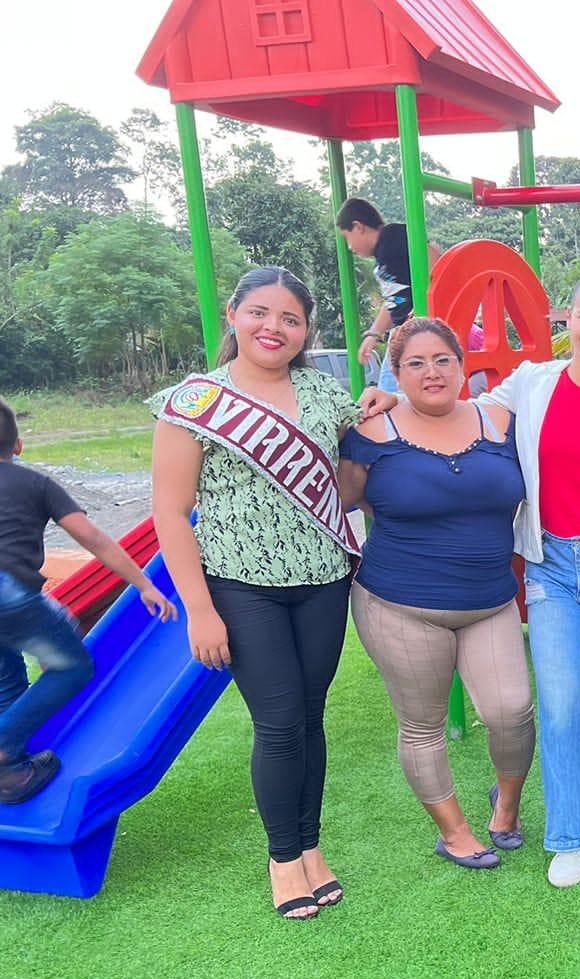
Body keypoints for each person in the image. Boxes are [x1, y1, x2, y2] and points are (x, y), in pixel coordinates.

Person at [150, 266, 361, 921]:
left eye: (290, 319)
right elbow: (169, 512)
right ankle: (283, 857)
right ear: (235, 317)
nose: (275, 328)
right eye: (260, 313)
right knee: (278, 724)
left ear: (305, 331)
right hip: (241, 588)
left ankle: (312, 846)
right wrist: (200, 610)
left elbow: (350, 476)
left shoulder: (326, 395)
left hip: (324, 581)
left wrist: (384, 408)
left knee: (311, 718)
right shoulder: (195, 402)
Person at [469, 268, 580, 887]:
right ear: (566, 320)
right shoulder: (532, 382)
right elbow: (464, 416)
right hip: (549, 564)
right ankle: (573, 832)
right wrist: (397, 401)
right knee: (564, 699)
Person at [340, 318, 534, 872]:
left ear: (462, 365)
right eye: (416, 364)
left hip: (490, 601)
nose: (432, 372)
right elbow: (345, 498)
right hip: (399, 606)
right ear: (396, 374)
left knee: (512, 712)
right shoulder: (371, 431)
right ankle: (454, 832)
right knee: (423, 725)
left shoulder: (501, 422)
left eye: (443, 359)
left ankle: (506, 808)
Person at [0, 400, 176, 804]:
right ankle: (4, 745)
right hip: (9, 593)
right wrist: (144, 584)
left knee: (7, 677)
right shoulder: (36, 484)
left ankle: (11, 773)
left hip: (11, 603)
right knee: (73, 667)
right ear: (19, 445)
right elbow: (93, 538)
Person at [335, 198, 441, 393]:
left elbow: (431, 253)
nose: (349, 247)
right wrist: (373, 334)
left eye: (347, 238)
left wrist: (424, 304)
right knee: (390, 388)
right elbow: (394, 302)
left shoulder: (392, 237)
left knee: (390, 392)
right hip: (401, 331)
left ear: (358, 227)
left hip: (417, 327)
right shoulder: (381, 258)